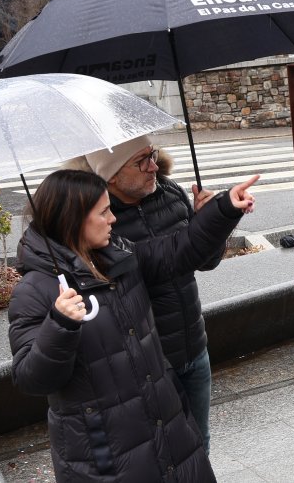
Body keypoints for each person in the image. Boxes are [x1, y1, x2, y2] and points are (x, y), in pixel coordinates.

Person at [7, 168, 255, 481]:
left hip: (165, 427)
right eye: (104, 211)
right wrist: (59, 324)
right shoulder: (35, 292)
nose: (113, 219)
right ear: (74, 218)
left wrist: (224, 209)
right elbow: (32, 378)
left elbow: (177, 252)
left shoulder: (118, 254)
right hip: (108, 455)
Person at [71, 135, 235, 454]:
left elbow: (207, 261)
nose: (154, 166)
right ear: (111, 174)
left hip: (193, 349)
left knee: (199, 444)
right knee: (160, 457)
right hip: (146, 366)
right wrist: (215, 221)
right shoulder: (96, 221)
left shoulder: (170, 192)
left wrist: (208, 227)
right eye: (141, 161)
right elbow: (153, 263)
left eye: (153, 155)